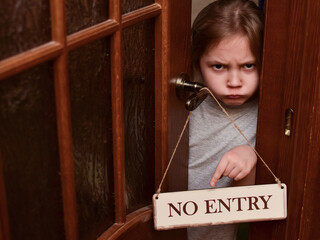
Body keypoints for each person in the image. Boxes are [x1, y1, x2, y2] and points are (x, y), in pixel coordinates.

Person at [188, 0, 264, 239]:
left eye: (248, 65)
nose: (234, 82)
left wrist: (253, 154)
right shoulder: (184, 106)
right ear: (198, 64)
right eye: (219, 66)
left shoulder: (270, 113)